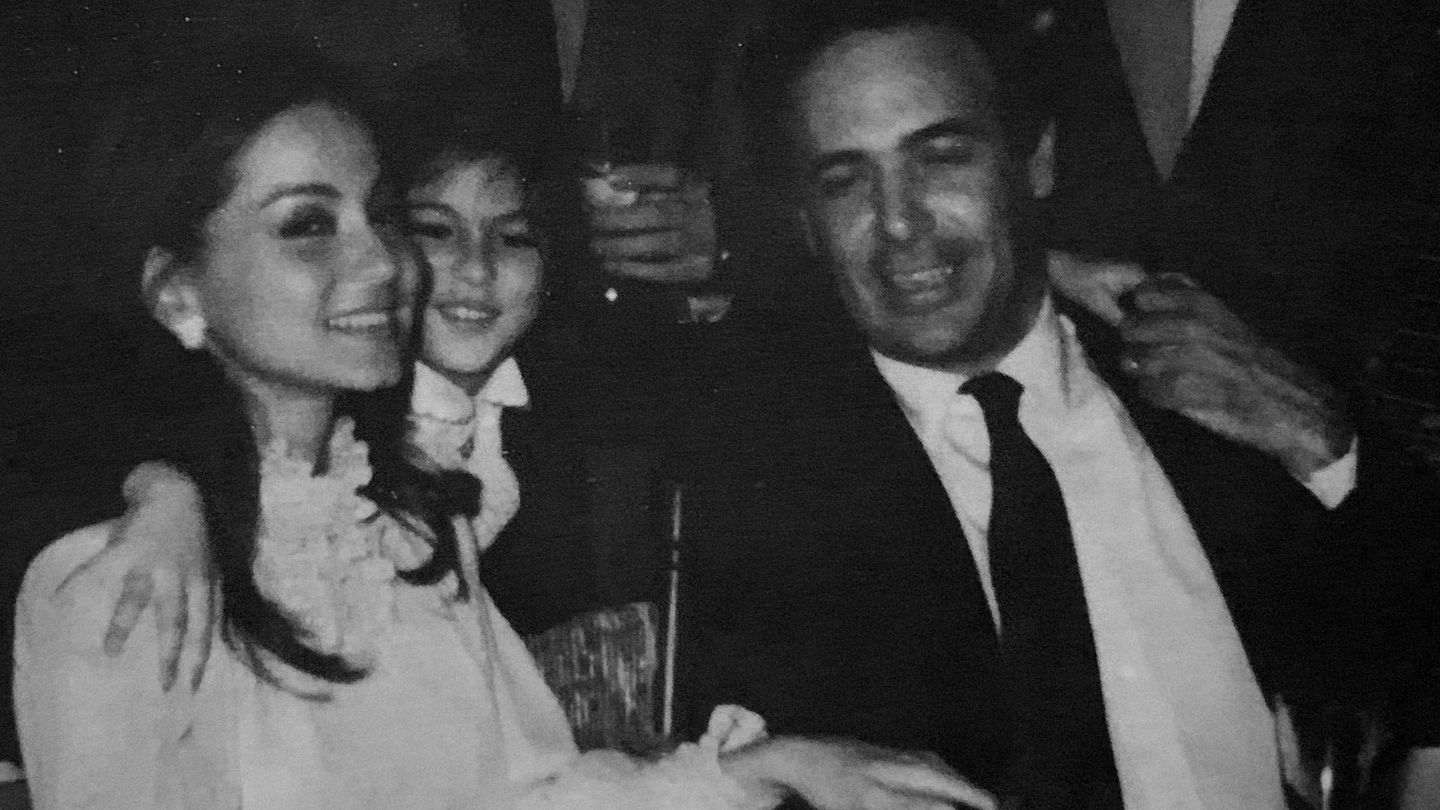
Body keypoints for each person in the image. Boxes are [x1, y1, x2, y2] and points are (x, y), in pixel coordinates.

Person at [13, 46, 995, 810]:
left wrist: (776, 766)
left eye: (380, 216)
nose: (384, 263)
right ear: (177, 295)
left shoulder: (412, 530)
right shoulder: (125, 579)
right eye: (308, 225)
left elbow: (531, 797)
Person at [673, 3, 1440, 808]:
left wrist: (1328, 448)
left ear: (1035, 161)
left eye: (942, 157)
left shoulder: (1218, 390)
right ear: (803, 222)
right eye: (845, 180)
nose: (899, 221)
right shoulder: (752, 481)